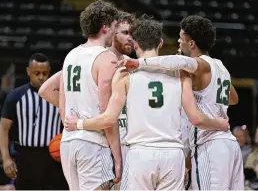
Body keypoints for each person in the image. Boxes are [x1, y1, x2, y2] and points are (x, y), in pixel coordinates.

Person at [64, 15, 229, 190]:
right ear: (161, 43)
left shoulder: (124, 73)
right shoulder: (181, 74)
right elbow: (195, 117)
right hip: (173, 154)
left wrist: (79, 123)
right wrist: (219, 123)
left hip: (141, 154)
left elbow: (108, 119)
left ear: (135, 44)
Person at [117, 15, 243, 190]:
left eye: (181, 37)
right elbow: (233, 98)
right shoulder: (219, 66)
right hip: (230, 146)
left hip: (210, 144)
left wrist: (139, 63)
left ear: (191, 44)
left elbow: (177, 61)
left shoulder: (199, 65)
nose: (177, 41)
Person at [38, 10, 135, 190]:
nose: (117, 32)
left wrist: (74, 117)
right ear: (105, 27)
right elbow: (108, 117)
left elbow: (57, 97)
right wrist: (117, 157)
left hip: (70, 142)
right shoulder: (106, 59)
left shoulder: (72, 55)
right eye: (118, 29)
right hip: (94, 142)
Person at [0, 53, 68, 190]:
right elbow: (3, 129)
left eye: (44, 73)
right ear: (28, 72)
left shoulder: (60, 96)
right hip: (25, 157)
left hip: (53, 157)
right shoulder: (15, 96)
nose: (41, 77)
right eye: (36, 73)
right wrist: (6, 158)